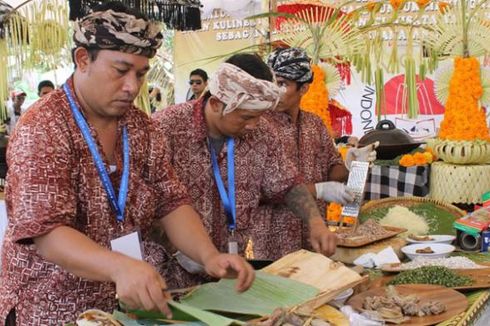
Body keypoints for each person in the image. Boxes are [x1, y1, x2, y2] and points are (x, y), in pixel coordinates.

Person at [0, 3, 254, 325]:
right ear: (82, 60)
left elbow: (172, 201)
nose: (133, 86)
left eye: (141, 73)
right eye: (120, 71)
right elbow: (48, 232)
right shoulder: (43, 127)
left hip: (120, 307)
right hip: (53, 306)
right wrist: (120, 266)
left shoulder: (141, 128)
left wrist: (210, 256)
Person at [152, 53, 337, 287]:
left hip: (230, 276)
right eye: (246, 117)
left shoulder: (263, 133)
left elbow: (287, 184)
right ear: (217, 103)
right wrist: (184, 251)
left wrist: (316, 223)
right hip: (166, 279)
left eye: (259, 116)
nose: (253, 125)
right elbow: (143, 205)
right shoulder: (164, 128)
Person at [251, 47, 377, 259]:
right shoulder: (257, 125)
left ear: (304, 89)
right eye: (272, 83)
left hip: (315, 235)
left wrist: (350, 165)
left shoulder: (314, 124)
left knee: (319, 285)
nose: (275, 91)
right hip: (274, 238)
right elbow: (258, 190)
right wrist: (318, 190)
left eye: (282, 84)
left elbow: (331, 170)